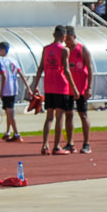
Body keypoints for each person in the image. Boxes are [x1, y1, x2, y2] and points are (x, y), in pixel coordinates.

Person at [31, 25, 78, 155]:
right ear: (64, 37)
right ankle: (56, 146)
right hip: (61, 87)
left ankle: (45, 144)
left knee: (49, 117)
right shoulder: (64, 50)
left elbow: (40, 68)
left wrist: (35, 85)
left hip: (48, 86)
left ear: (53, 35)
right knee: (60, 117)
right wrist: (74, 88)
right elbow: (67, 70)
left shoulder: (46, 49)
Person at [64, 25, 94, 153]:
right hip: (68, 89)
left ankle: (86, 143)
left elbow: (90, 68)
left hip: (81, 88)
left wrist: (89, 87)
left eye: (69, 39)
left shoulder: (82, 49)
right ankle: (70, 143)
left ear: (74, 37)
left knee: (83, 114)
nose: (67, 42)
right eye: (65, 39)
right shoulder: (64, 50)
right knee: (68, 115)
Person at [0, 41, 31, 142]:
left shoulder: (1, 62)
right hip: (14, 89)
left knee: (10, 112)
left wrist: (1, 91)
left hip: (7, 90)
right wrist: (28, 88)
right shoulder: (14, 61)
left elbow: (4, 76)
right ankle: (7, 132)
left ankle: (16, 133)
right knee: (8, 111)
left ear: (3, 50)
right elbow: (21, 74)